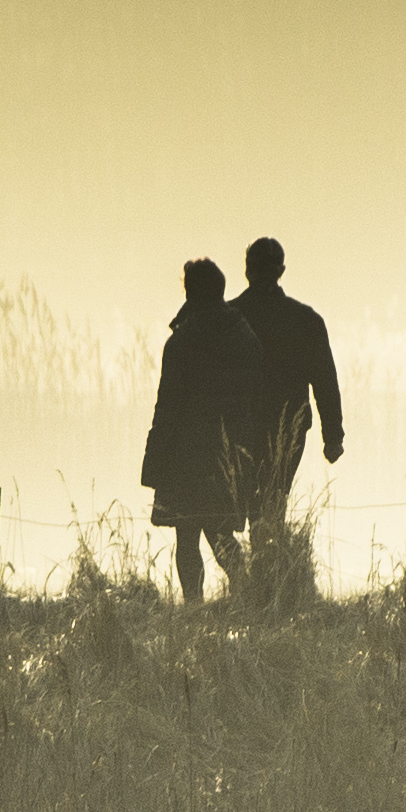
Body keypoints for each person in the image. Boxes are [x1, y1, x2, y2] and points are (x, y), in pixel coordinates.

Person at [140, 256, 268, 603]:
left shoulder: (181, 343)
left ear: (190, 292)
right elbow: (256, 399)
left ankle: (194, 610)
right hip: (229, 454)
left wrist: (154, 463)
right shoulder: (245, 337)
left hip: (185, 458)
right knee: (222, 534)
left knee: (187, 537)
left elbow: (166, 408)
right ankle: (246, 600)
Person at [226, 235, 344, 545]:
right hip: (289, 428)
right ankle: (269, 569)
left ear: (248, 270)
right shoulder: (305, 320)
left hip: (241, 428)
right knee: (275, 498)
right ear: (282, 270)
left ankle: (260, 574)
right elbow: (325, 382)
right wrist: (333, 437)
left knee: (252, 503)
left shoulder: (230, 318)